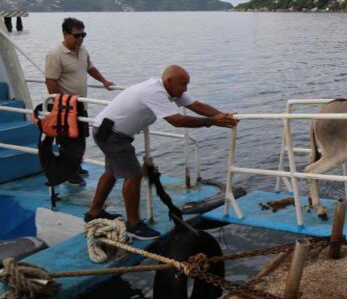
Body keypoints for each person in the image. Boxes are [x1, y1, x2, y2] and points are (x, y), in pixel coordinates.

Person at [85, 65, 238, 240]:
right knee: (134, 175)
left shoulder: (171, 89)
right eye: (183, 84)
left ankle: (94, 212)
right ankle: (133, 225)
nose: (186, 89)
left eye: (187, 84)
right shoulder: (154, 92)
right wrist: (211, 121)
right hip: (111, 133)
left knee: (112, 171)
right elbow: (176, 120)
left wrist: (223, 116)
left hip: (109, 131)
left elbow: (196, 105)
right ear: (169, 81)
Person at [45, 17, 114, 186]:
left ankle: (75, 166)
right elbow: (50, 80)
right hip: (65, 106)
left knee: (81, 137)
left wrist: (104, 81)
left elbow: (90, 68)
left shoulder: (82, 50)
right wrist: (60, 103)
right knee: (68, 141)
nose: (80, 38)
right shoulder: (55, 55)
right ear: (65, 34)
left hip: (80, 103)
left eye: (83, 35)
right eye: (76, 35)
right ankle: (70, 174)